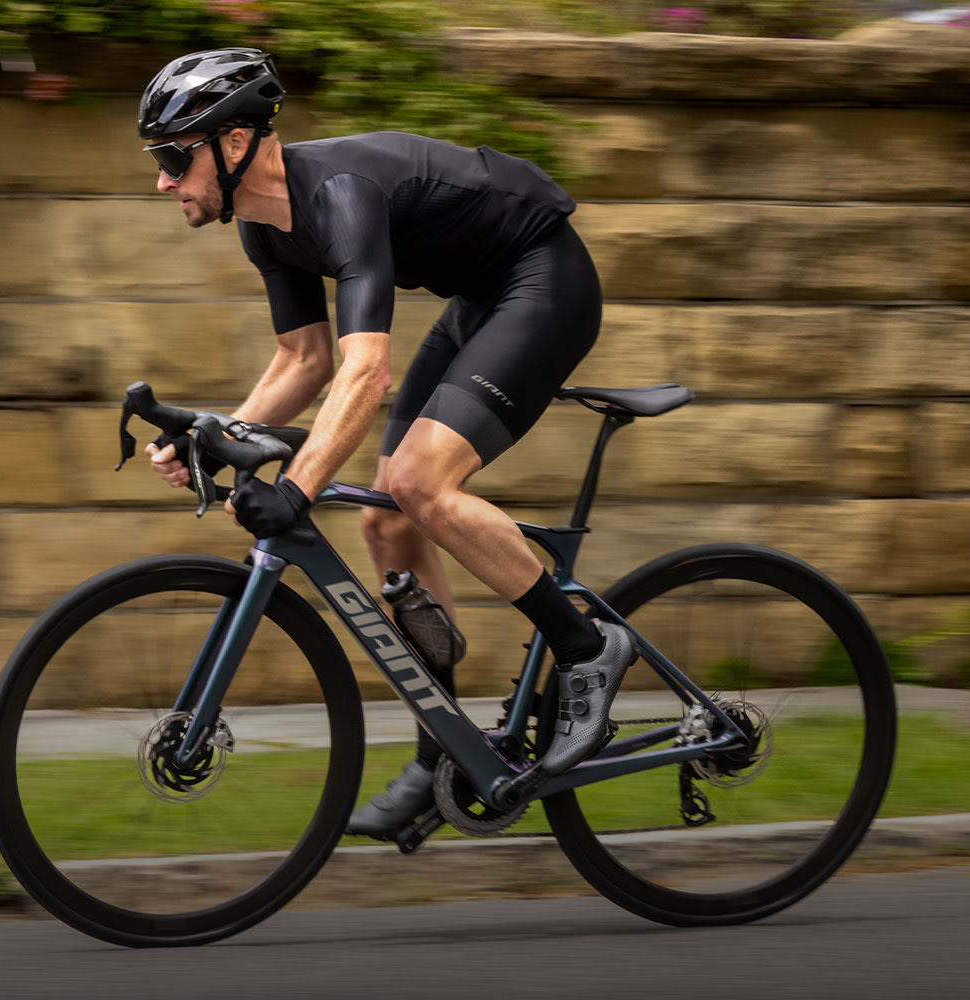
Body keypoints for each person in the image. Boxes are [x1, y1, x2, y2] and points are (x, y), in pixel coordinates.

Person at [136, 47, 635, 840]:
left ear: (234, 145)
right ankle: (447, 752)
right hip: (483, 294)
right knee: (387, 518)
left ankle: (587, 646)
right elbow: (305, 360)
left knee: (420, 481)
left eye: (171, 156)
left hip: (545, 278)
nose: (162, 179)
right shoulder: (266, 226)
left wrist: (295, 488)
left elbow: (366, 370)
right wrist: (217, 435)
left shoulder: (337, 194)